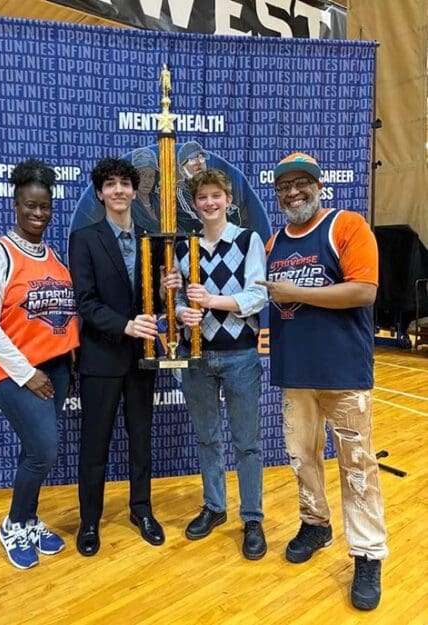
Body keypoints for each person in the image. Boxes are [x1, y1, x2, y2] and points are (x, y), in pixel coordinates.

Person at [258, 152, 388, 610]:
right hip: (295, 373)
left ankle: (368, 552)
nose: (293, 192)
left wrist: (297, 293)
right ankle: (315, 523)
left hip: (343, 373)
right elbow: (259, 298)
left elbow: (364, 291)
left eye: (301, 183)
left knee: (357, 467)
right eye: (284, 186)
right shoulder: (273, 242)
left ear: (319, 185)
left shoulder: (347, 226)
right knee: (301, 458)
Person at [68, 157, 181, 557]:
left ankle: (142, 511)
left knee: (141, 441)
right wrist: (125, 325)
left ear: (135, 191)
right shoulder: (83, 238)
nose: (118, 190)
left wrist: (170, 283)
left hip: (142, 358)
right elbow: (86, 302)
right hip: (101, 358)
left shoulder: (152, 237)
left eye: (124, 184)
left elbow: (159, 297)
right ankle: (89, 521)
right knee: (94, 445)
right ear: (100, 193)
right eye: (110, 184)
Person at [0, 159, 79, 570]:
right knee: (44, 452)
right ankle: (14, 523)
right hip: (17, 373)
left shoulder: (52, 256)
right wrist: (26, 373)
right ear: (16, 205)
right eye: (30, 206)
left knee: (35, 451)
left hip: (56, 370)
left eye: (45, 206)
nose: (38, 214)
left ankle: (30, 520)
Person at [175, 168, 268, 560]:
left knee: (246, 443)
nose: (210, 203)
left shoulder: (248, 241)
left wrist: (210, 302)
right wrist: (182, 313)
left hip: (240, 355)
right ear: (194, 204)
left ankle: (252, 518)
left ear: (229, 200)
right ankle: (215, 506)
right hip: (195, 354)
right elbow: (177, 300)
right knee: (207, 438)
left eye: (217, 196)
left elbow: (257, 296)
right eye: (202, 197)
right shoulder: (183, 248)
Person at [176, 141, 241, 232]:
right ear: (182, 170)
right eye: (192, 160)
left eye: (201, 158)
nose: (198, 163)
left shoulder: (217, 184)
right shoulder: (181, 190)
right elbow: (196, 223)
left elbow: (234, 216)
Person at [130, 147, 160, 232]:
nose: (147, 181)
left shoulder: (160, 200)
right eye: (142, 175)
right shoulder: (127, 203)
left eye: (151, 176)